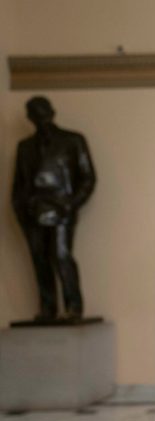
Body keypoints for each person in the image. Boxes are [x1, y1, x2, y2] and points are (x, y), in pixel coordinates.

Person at [11, 96, 96, 321]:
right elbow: (20, 184)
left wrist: (71, 203)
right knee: (39, 259)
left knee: (61, 255)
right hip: (34, 210)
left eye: (43, 113)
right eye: (35, 115)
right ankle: (48, 308)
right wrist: (22, 209)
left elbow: (88, 178)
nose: (41, 119)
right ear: (31, 118)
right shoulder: (25, 147)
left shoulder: (72, 141)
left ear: (51, 112)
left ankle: (73, 306)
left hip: (61, 209)